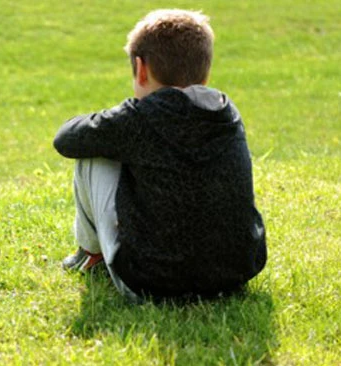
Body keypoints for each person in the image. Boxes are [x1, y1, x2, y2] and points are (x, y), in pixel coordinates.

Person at [53, 9, 266, 302]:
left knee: (92, 152)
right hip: (234, 276)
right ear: (204, 69)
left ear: (141, 69)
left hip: (150, 284)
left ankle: (91, 255)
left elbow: (65, 139)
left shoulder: (139, 117)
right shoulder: (227, 113)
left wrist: (117, 116)